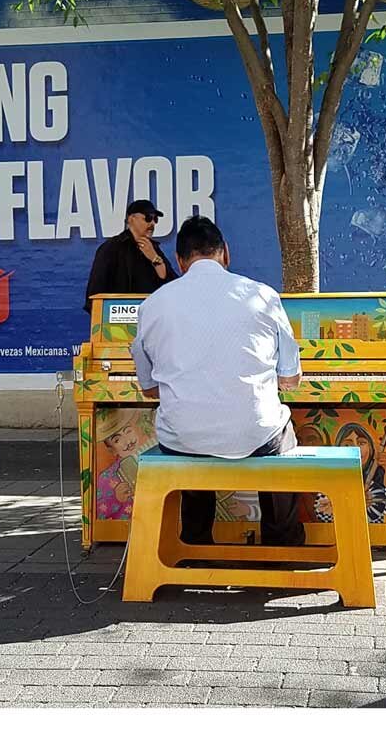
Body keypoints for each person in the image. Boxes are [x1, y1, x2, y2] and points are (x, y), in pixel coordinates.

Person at [130, 215, 304, 546]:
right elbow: (290, 380)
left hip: (183, 437)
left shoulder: (152, 305)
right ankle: (283, 546)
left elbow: (150, 389)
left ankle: (195, 544)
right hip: (257, 436)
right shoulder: (263, 296)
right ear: (225, 252)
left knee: (188, 435)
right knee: (279, 435)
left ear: (180, 262)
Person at [83, 198, 177, 313]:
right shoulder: (111, 248)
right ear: (131, 219)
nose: (152, 223)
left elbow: (172, 285)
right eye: (148, 218)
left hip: (151, 320)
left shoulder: (154, 249)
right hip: (118, 324)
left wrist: (154, 258)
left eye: (155, 219)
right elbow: (94, 293)